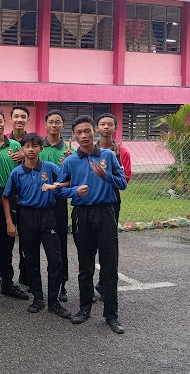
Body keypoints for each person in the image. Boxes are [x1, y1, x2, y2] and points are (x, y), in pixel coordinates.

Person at [58, 116, 127, 334]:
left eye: (87, 131)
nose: (84, 135)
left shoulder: (108, 155)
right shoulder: (70, 161)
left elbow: (123, 183)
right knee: (85, 265)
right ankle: (84, 308)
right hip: (82, 214)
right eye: (79, 132)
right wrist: (74, 191)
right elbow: (60, 189)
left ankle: (111, 315)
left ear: (94, 132)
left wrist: (105, 175)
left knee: (109, 266)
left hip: (106, 213)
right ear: (74, 136)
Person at [3, 133, 71, 319]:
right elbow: (6, 196)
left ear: (41, 149)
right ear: (22, 149)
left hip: (48, 216)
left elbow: (67, 181)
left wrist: (57, 185)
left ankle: (54, 301)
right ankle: (38, 298)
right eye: (27, 146)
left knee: (55, 259)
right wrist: (9, 221)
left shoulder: (50, 168)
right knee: (31, 260)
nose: (31, 149)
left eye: (35, 146)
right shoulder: (17, 172)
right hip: (27, 217)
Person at [0, 109, 28, 300]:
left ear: (5, 122)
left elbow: (26, 169)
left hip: (9, 196)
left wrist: (24, 158)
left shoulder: (16, 145)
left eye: (0, 121)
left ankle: (7, 281)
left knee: (7, 242)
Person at [95, 113, 133, 299]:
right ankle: (86, 289)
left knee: (109, 243)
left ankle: (105, 284)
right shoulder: (88, 150)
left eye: (110, 124)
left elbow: (125, 179)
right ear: (96, 128)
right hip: (91, 198)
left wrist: (108, 176)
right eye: (102, 124)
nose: (106, 127)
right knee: (88, 244)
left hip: (111, 199)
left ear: (115, 128)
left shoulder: (122, 153)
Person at [38, 110, 75, 303]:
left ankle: (62, 285)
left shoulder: (70, 152)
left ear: (63, 125)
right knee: (32, 245)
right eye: (50, 122)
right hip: (38, 201)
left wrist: (72, 161)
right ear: (45, 124)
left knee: (60, 245)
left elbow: (76, 177)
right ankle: (31, 284)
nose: (54, 125)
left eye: (58, 122)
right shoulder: (37, 147)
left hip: (59, 203)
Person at [7, 105, 29, 288]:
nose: (19, 120)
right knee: (5, 239)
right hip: (7, 196)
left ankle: (26, 275)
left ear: (27, 119)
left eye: (23, 116)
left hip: (28, 197)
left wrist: (25, 154)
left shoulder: (33, 142)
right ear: (11, 119)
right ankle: (1, 276)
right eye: (16, 116)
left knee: (27, 240)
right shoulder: (4, 141)